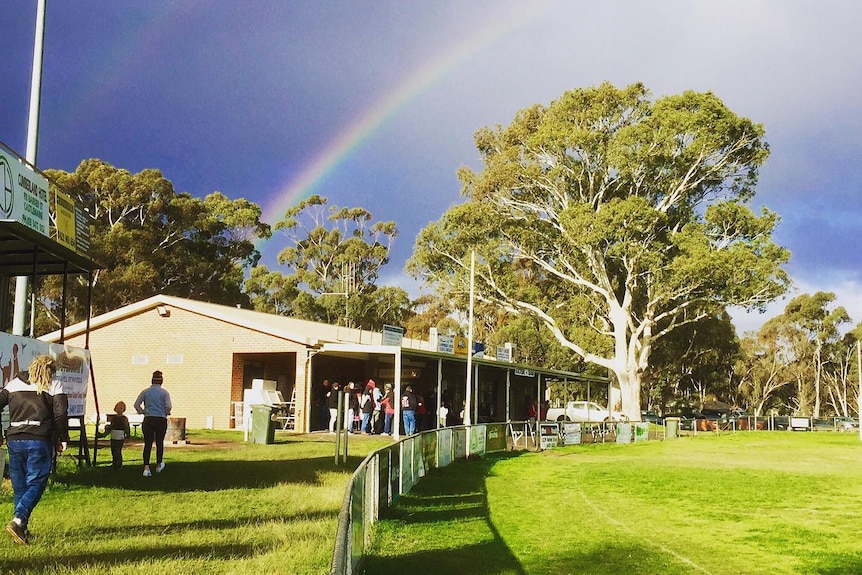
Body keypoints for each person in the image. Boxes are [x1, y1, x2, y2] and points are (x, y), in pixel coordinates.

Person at [0, 355, 67, 544]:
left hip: (14, 438)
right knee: (37, 482)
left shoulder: (13, 384)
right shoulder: (54, 385)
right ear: (51, 370)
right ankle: (18, 520)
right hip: (39, 438)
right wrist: (62, 437)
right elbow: (60, 414)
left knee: (20, 486)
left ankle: (21, 531)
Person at [134, 370, 172, 477]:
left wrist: (143, 412)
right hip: (160, 419)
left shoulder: (146, 392)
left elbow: (137, 404)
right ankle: (159, 464)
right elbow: (168, 406)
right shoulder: (165, 393)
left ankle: (146, 467)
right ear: (161, 381)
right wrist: (166, 412)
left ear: (152, 380)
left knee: (148, 443)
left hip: (149, 418)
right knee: (159, 442)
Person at [104, 401, 131, 469]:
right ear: (115, 409)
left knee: (118, 451)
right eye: (118, 408)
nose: (119, 409)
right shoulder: (114, 418)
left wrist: (127, 436)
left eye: (121, 408)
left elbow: (127, 427)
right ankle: (114, 463)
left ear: (123, 409)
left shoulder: (124, 418)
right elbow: (112, 426)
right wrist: (107, 428)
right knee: (113, 450)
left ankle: (119, 464)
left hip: (120, 436)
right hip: (113, 436)